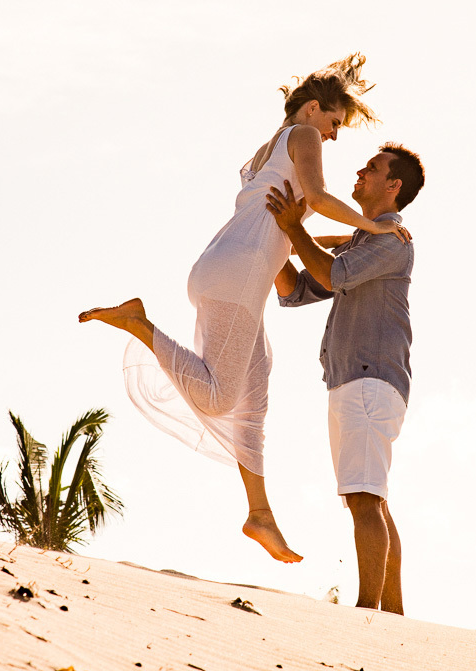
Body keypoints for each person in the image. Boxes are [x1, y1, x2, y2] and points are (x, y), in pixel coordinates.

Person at [77, 54, 408, 564]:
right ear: (313, 109)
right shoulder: (304, 136)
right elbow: (318, 198)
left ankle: (260, 514)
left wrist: (348, 239)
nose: (335, 135)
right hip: (237, 277)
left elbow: (279, 230)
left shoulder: (266, 151)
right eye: (335, 122)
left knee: (254, 395)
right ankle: (138, 322)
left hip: (229, 267)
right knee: (217, 399)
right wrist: (375, 227)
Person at [264, 142, 425, 613]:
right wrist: (274, 242)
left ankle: (368, 612)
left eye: (372, 168)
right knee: (369, 499)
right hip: (353, 381)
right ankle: (390, 613)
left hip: (369, 381)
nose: (360, 171)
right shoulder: (362, 241)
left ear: (393, 186)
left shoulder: (392, 239)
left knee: (364, 497)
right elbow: (298, 289)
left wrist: (293, 228)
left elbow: (331, 275)